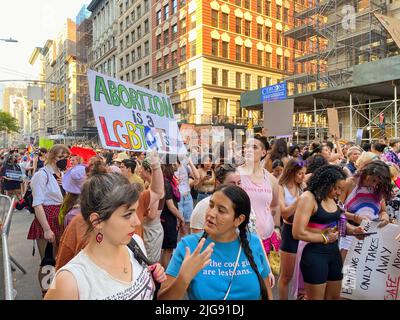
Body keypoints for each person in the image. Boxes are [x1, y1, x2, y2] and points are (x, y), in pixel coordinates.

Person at [45, 172, 166, 300]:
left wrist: (151, 275)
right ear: (97, 221)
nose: (137, 222)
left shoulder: (135, 243)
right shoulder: (71, 282)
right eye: (127, 215)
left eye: (135, 212)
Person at [158, 185, 273, 300]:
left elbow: (267, 294)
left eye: (221, 211)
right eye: (211, 205)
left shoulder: (253, 243)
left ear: (239, 220)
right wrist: (183, 278)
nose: (211, 214)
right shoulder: (188, 247)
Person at [292, 165, 366, 300]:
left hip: (333, 253)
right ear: (325, 183)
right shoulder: (308, 198)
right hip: (314, 254)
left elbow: (340, 224)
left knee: (334, 297)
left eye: (341, 189)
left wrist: (354, 230)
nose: (339, 192)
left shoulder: (334, 199)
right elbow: (297, 233)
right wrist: (324, 238)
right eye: (336, 188)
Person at [339, 160, 392, 260]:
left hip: (373, 237)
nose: (373, 184)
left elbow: (382, 211)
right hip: (350, 233)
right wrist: (355, 218)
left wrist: (385, 217)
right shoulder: (350, 183)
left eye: (377, 181)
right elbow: (336, 211)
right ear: (365, 173)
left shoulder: (378, 188)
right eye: (372, 180)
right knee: (345, 271)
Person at [238, 135, 280, 256]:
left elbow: (275, 205)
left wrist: (276, 227)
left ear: (263, 152)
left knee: (264, 274)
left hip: (267, 238)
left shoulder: (271, 179)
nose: (248, 150)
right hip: (242, 237)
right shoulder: (236, 175)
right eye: (246, 147)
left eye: (254, 147)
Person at [277, 159, 306, 300]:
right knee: (286, 276)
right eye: (300, 173)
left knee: (303, 274)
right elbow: (284, 213)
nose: (302, 176)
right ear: (292, 172)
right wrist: (298, 201)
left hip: (304, 233)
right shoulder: (281, 187)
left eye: (304, 173)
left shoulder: (303, 187)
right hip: (289, 232)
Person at [190, 164, 242, 234]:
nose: (237, 187)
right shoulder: (203, 207)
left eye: (239, 183)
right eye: (232, 183)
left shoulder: (242, 204)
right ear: (218, 184)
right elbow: (195, 240)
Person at [160, 163, 185, 269]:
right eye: (173, 165)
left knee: (167, 248)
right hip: (168, 218)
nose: (176, 168)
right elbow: (171, 206)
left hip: (167, 217)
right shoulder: (166, 183)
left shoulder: (168, 182)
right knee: (168, 249)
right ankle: (165, 275)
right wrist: (181, 218)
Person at [176, 156, 200, 235]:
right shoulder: (171, 168)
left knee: (187, 223)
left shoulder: (185, 166)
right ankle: (179, 243)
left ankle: (185, 243)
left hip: (187, 197)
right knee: (179, 223)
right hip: (177, 197)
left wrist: (190, 163)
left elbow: (197, 177)